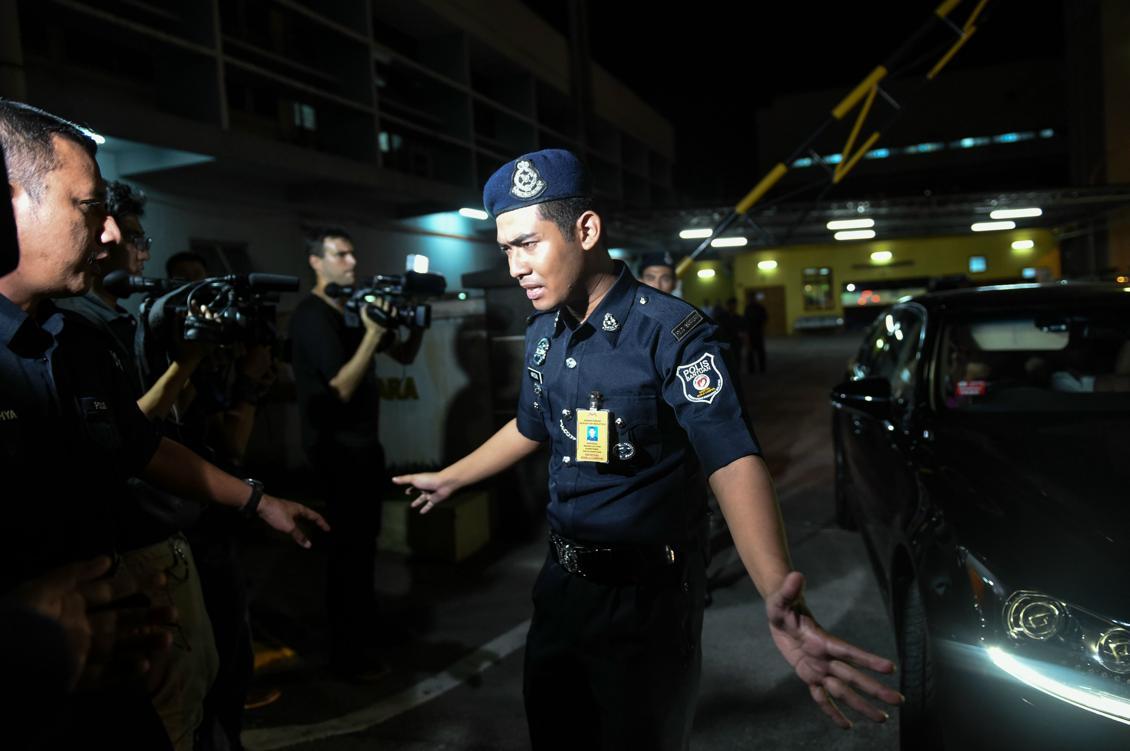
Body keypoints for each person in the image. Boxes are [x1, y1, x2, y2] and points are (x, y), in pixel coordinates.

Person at [393, 149, 901, 750]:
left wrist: (773, 588)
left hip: (648, 606)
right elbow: (530, 426)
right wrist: (452, 476)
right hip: (561, 590)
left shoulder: (670, 332)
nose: (515, 267)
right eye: (506, 249)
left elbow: (731, 458)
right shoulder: (540, 334)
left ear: (585, 229)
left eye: (528, 243)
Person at [0, 98, 328, 747]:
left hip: (107, 677)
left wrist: (258, 500)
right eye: (90, 209)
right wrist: (21, 636)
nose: (113, 234)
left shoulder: (74, 342)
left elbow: (139, 444)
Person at [56, 179, 219, 751]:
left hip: (172, 521)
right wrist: (188, 361)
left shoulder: (127, 319)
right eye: (134, 237)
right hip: (134, 535)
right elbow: (131, 435)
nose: (141, 251)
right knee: (169, 699)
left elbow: (169, 420)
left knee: (202, 678)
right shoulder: (73, 327)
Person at [289, 226, 424, 680]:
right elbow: (340, 389)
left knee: (364, 550)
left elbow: (403, 355)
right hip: (335, 452)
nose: (351, 262)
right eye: (340, 254)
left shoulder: (351, 310)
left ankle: (367, 630)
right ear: (315, 261)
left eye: (352, 254)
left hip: (365, 448)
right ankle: (345, 655)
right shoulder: (311, 317)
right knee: (345, 557)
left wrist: (413, 323)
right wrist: (371, 335)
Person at [744, 291, 768, 373]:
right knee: (751, 351)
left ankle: (760, 368)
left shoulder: (759, 308)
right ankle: (753, 369)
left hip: (757, 332)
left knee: (759, 351)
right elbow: (746, 320)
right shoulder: (748, 308)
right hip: (752, 332)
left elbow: (764, 319)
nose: (751, 300)